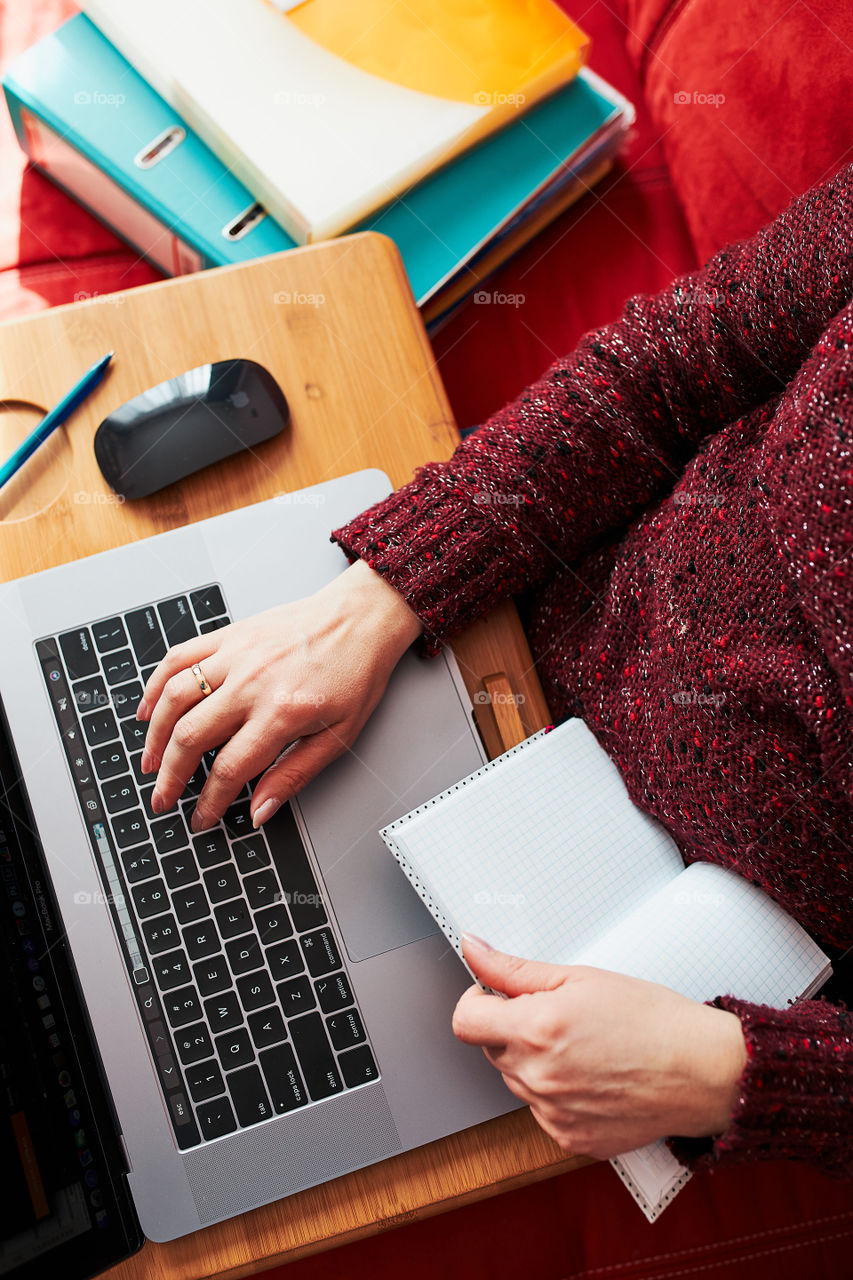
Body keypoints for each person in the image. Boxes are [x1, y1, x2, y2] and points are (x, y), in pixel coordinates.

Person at [136, 160, 853, 1178]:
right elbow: (684, 358)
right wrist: (385, 592)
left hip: (678, 978)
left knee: (215, 1095)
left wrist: (736, 1072)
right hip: (509, 641)